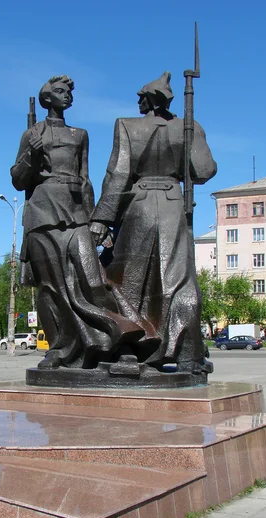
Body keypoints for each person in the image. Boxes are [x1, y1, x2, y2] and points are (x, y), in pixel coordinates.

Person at [10, 75, 145, 370]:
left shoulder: (79, 134)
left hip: (75, 214)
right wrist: (31, 154)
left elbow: (85, 179)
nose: (67, 96)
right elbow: (19, 182)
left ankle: (120, 340)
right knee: (50, 288)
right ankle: (60, 349)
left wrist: (97, 219)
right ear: (47, 99)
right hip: (42, 214)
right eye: (60, 91)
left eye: (69, 92)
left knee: (94, 281)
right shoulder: (31, 134)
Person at [90, 72, 217, 374]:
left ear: (146, 101)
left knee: (126, 280)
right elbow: (204, 170)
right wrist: (191, 134)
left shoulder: (128, 126)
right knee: (179, 281)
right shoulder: (188, 127)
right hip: (174, 206)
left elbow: (118, 175)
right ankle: (188, 355)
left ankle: (128, 350)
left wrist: (101, 218)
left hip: (139, 207)